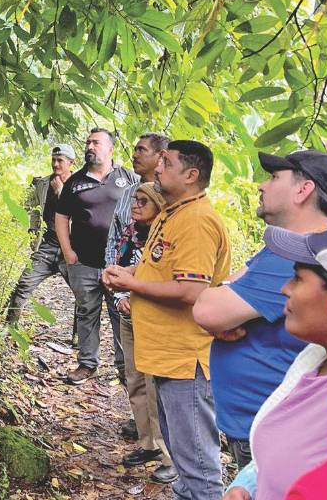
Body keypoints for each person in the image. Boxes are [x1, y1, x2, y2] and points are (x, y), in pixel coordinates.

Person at [193, 151, 327, 469]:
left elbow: (207, 309)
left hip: (277, 433)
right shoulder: (287, 248)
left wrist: (226, 298)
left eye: (274, 177)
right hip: (267, 426)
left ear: (303, 190)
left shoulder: (308, 257)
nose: (261, 185)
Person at [104, 140, 230, 500]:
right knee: (181, 456)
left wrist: (132, 283)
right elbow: (162, 270)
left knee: (199, 468)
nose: (157, 169)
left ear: (191, 175)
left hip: (185, 358)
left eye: (167, 164)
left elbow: (191, 291)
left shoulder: (197, 221)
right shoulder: (174, 213)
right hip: (164, 355)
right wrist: (130, 272)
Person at [222, 223, 327, 500]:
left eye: (297, 278)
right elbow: (290, 451)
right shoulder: (312, 364)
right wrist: (247, 484)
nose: (285, 289)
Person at [55, 128, 139, 384]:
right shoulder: (75, 181)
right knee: (86, 312)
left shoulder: (129, 179)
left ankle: (125, 369)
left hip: (119, 267)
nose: (90, 146)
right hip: (84, 263)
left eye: (96, 142)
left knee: (121, 315)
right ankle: (87, 363)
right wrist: (68, 252)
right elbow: (61, 218)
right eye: (88, 142)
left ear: (110, 148)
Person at [104, 134, 169, 442]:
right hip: (124, 299)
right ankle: (146, 439)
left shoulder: (172, 203)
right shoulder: (127, 193)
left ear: (161, 156)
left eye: (141, 149)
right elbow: (115, 242)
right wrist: (117, 289)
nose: (134, 154)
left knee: (156, 379)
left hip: (154, 303)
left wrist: (135, 288)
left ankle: (162, 443)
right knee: (132, 372)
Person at [112, 184, 179, 485]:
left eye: (143, 202)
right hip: (129, 314)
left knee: (157, 388)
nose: (136, 206)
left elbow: (168, 280)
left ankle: (170, 455)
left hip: (156, 319)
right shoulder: (129, 234)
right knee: (135, 379)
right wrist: (118, 298)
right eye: (135, 201)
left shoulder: (167, 236)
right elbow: (113, 268)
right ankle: (147, 443)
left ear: (159, 204)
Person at [5, 144, 76, 324]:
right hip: (46, 246)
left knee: (84, 296)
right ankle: (9, 328)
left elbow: (80, 215)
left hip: (71, 249)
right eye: (53, 160)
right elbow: (30, 208)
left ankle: (80, 339)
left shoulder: (80, 186)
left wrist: (61, 191)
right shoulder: (43, 184)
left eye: (60, 160)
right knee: (23, 286)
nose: (55, 164)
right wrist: (33, 231)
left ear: (71, 163)